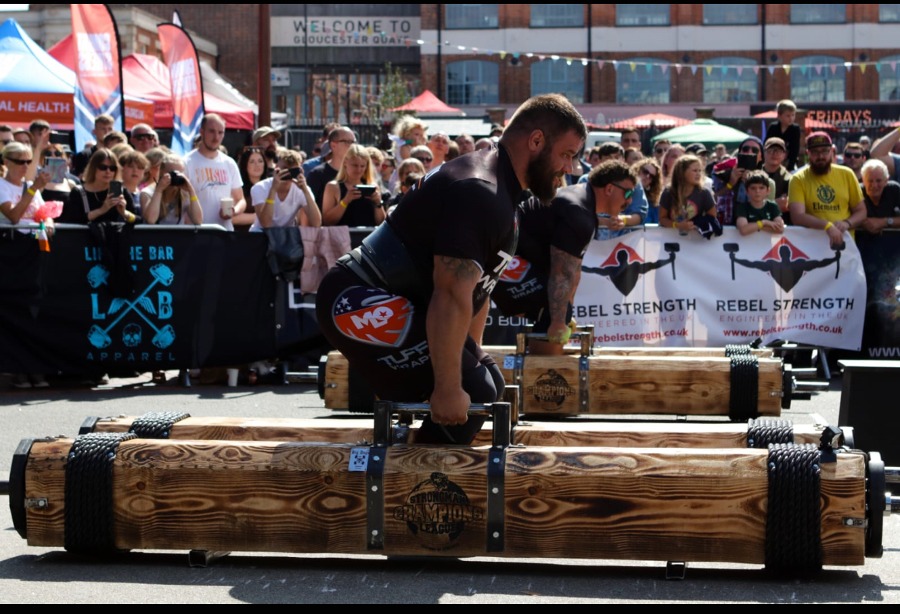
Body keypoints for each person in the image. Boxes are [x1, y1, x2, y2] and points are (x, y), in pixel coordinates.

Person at [315, 93, 586, 443]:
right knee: (472, 394)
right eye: (566, 154)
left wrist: (468, 358)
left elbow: (479, 291)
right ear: (536, 141)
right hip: (357, 300)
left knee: (490, 382)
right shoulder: (481, 190)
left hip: (402, 298)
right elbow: (451, 292)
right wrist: (447, 386)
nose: (569, 168)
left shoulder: (503, 189)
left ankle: (408, 452)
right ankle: (400, 484)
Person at [492, 160, 637, 356]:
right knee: (553, 312)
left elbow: (574, 272)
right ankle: (541, 376)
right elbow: (562, 273)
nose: (629, 201)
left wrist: (566, 313)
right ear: (610, 188)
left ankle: (544, 359)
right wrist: (559, 322)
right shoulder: (580, 213)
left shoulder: (584, 203)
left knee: (559, 310)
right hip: (498, 252)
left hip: (508, 250)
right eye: (628, 193)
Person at [0, 142, 54, 389]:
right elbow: (13, 215)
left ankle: (33, 368)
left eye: (28, 161)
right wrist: (33, 190)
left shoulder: (28, 186)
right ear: (7, 162)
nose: (24, 166)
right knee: (15, 311)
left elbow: (41, 211)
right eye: (20, 161)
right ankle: (17, 369)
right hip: (10, 254)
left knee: (33, 311)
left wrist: (49, 221)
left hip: (32, 252)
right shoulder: (3, 186)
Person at [788, 131, 867, 248]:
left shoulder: (847, 174)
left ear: (832, 152)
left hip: (844, 245)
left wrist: (847, 223)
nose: (820, 156)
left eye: (825, 151)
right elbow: (798, 216)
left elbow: (861, 211)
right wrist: (827, 226)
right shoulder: (798, 179)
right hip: (811, 247)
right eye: (815, 152)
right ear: (807, 153)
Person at [183, 113, 246, 231]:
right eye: (211, 131)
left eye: (220, 132)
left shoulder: (229, 163)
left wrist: (234, 211)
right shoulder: (187, 162)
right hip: (195, 232)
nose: (216, 137)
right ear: (202, 132)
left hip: (223, 232)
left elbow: (240, 199)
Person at [58, 149, 138, 224]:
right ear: (93, 168)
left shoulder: (121, 191)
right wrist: (102, 210)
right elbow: (72, 221)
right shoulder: (79, 192)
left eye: (112, 168)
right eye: (103, 167)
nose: (108, 171)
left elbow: (138, 220)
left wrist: (124, 213)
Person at [250, 148, 321, 231]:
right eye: (285, 169)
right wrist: (273, 190)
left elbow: (316, 223)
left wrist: (305, 191)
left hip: (286, 235)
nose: (288, 174)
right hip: (261, 234)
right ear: (276, 168)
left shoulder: (301, 190)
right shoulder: (260, 188)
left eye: (293, 170)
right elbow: (266, 224)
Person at [712, 136, 774, 226]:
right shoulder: (723, 174)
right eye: (745, 149)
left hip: (755, 230)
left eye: (755, 150)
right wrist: (731, 183)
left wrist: (750, 183)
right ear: (739, 153)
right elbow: (713, 200)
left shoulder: (768, 182)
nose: (749, 152)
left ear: (761, 157)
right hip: (727, 230)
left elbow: (768, 212)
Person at [320, 144, 385, 227]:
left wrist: (378, 203)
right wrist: (345, 202)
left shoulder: (372, 186)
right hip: (342, 237)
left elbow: (381, 223)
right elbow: (327, 221)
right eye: (355, 165)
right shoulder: (333, 187)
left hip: (367, 236)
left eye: (362, 166)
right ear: (345, 163)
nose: (358, 170)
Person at [658, 154, 717, 236]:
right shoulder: (668, 192)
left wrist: (697, 224)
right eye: (695, 170)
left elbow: (712, 217)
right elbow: (662, 219)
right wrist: (678, 225)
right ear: (682, 172)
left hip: (696, 241)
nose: (698, 174)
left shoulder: (704, 193)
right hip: (670, 240)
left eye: (700, 171)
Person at [142, 154, 203, 225]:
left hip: (177, 235)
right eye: (172, 173)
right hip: (155, 235)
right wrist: (159, 190)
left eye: (180, 173)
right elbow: (151, 220)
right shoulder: (147, 192)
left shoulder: (185, 194)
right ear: (162, 172)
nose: (176, 176)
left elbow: (198, 220)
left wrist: (192, 191)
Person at [306, 125, 357, 209]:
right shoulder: (317, 175)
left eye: (354, 142)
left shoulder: (359, 171)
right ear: (333, 145)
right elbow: (309, 208)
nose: (352, 146)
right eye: (347, 142)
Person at [734, 170, 785, 236]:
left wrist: (754, 227)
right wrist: (764, 223)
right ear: (747, 191)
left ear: (768, 190)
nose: (757, 191)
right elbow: (744, 230)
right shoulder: (742, 207)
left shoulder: (773, 206)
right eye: (753, 188)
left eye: (761, 188)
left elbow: (780, 229)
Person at [233, 145, 271, 232]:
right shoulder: (238, 188)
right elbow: (232, 219)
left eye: (260, 161)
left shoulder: (271, 186)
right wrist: (259, 217)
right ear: (245, 165)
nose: (257, 165)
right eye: (252, 162)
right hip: (244, 237)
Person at [858, 158, 900, 236]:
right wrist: (863, 222)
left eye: (878, 181)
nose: (874, 185)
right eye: (870, 181)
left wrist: (884, 222)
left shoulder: (894, 190)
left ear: (886, 180)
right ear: (863, 180)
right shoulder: (857, 191)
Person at [761, 137, 793, 225]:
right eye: (770, 150)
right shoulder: (754, 174)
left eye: (778, 151)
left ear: (784, 155)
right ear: (764, 153)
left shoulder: (790, 179)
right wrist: (775, 203)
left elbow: (786, 205)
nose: (774, 154)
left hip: (780, 226)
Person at [73, 114, 115, 178]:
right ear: (94, 131)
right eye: (103, 129)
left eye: (110, 129)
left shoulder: (117, 154)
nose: (107, 132)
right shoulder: (84, 155)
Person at [766, 99, 801, 171]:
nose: (791, 118)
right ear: (779, 115)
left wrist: (790, 166)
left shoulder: (795, 129)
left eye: (793, 115)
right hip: (772, 158)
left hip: (789, 161)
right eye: (788, 116)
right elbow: (767, 145)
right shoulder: (773, 127)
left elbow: (795, 149)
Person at [117, 150, 149, 217]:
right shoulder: (115, 192)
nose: (135, 170)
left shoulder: (145, 194)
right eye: (131, 166)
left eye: (140, 167)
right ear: (121, 168)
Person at [636, 158, 663, 224]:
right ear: (637, 170)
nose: (647, 176)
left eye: (651, 176)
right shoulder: (623, 193)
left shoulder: (654, 204)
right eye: (645, 172)